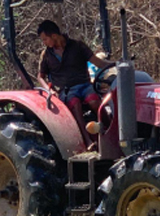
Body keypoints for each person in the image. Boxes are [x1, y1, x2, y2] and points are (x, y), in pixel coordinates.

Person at [37, 20, 113, 149]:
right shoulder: (46, 55)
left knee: (94, 102)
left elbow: (98, 63)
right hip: (66, 90)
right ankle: (88, 141)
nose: (44, 43)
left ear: (54, 36)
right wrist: (48, 90)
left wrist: (118, 65)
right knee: (75, 105)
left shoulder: (77, 46)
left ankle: (111, 131)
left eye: (45, 39)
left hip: (84, 85)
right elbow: (40, 76)